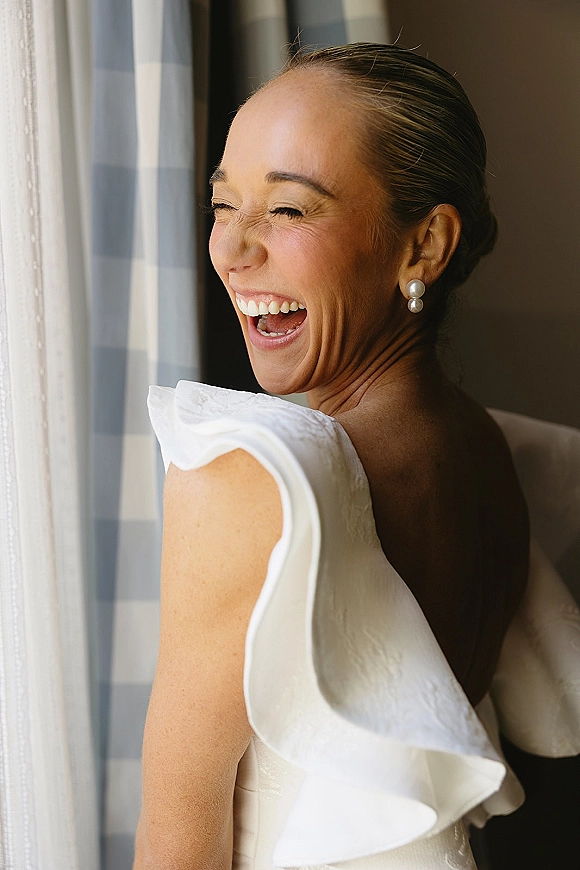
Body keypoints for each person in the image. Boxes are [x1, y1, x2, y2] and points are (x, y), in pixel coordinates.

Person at [133, 44, 580, 870]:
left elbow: (176, 849)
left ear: (424, 247)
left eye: (290, 211)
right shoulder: (486, 449)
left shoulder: (252, 480)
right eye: (223, 204)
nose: (232, 251)